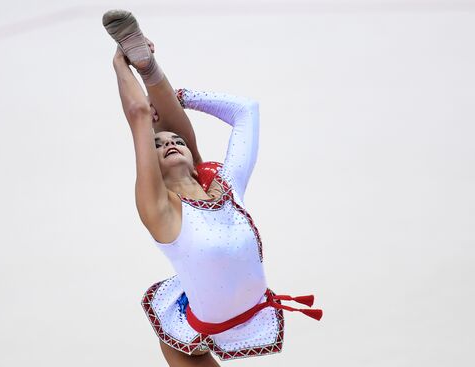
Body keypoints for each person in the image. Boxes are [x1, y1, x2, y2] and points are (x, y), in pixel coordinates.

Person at [103, 10, 322, 366]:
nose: (169, 145)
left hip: (240, 312)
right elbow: (141, 115)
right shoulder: (160, 209)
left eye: (177, 141)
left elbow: (246, 110)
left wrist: (182, 95)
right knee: (154, 129)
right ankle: (139, 61)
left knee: (177, 144)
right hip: (191, 331)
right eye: (157, 147)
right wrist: (119, 63)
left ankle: (150, 67)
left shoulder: (228, 187)